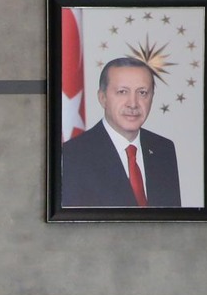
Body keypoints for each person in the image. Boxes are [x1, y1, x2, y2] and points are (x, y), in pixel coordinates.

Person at [59, 57, 182, 208]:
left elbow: (172, 218)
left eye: (142, 93)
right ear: (102, 98)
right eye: (122, 92)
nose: (133, 104)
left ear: (152, 98)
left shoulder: (163, 150)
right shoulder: (73, 155)